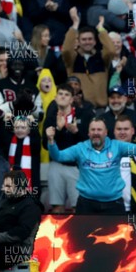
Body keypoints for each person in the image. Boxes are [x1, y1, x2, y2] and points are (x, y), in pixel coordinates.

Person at [47, 117, 136, 214]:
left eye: (99, 130)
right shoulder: (80, 148)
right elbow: (58, 156)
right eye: (93, 130)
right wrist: (51, 141)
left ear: (106, 132)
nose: (96, 133)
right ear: (88, 133)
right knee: (83, 233)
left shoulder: (117, 146)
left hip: (114, 204)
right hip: (86, 205)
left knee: (117, 234)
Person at [42, 82, 92, 213]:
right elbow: (44, 145)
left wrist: (76, 132)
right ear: (55, 97)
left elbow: (90, 145)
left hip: (76, 167)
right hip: (56, 165)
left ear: (72, 99)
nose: (63, 97)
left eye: (67, 95)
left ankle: (79, 233)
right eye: (60, 94)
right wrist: (58, 129)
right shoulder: (51, 118)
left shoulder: (83, 115)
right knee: (57, 208)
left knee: (78, 207)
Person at [62, 8, 114, 108]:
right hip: (79, 107)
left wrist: (101, 30)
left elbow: (111, 50)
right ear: (79, 41)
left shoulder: (102, 57)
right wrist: (75, 25)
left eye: (90, 39)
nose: (87, 42)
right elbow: (66, 50)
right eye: (84, 39)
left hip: (101, 108)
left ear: (95, 41)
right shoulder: (72, 59)